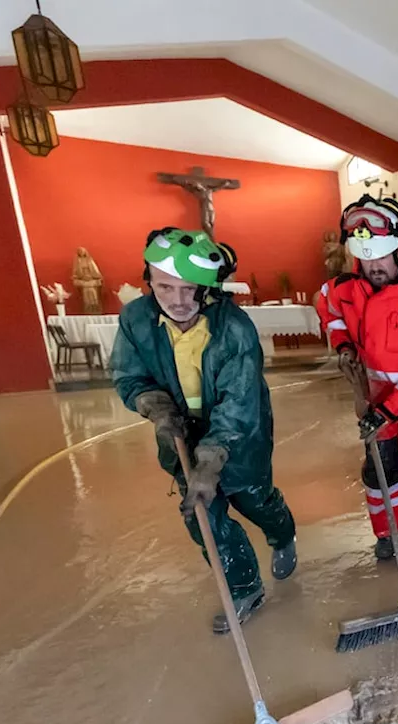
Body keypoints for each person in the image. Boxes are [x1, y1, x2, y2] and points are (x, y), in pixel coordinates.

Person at [112, 228, 297, 633]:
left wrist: (211, 461)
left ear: (208, 288)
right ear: (149, 281)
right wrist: (154, 406)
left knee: (254, 501)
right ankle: (244, 588)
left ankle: (282, 533)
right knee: (202, 514)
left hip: (239, 435)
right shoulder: (136, 320)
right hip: (180, 434)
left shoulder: (234, 328)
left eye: (189, 289)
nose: (177, 300)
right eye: (164, 287)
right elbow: (129, 376)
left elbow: (238, 402)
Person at [317, 196, 398, 561]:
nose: (374, 266)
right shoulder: (343, 289)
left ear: (397, 250)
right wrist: (343, 346)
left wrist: (387, 411)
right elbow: (328, 310)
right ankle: (388, 533)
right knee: (381, 467)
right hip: (373, 397)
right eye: (366, 257)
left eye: (380, 256)